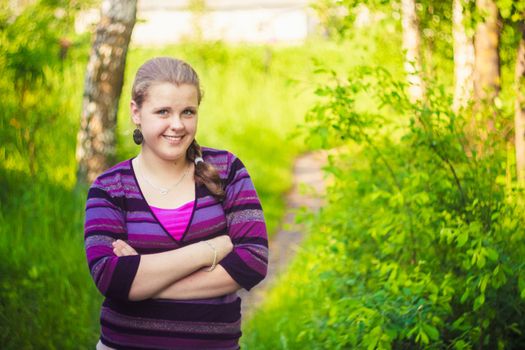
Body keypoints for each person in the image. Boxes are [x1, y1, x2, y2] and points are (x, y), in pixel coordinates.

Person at [83, 57, 269, 350]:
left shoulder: (227, 169)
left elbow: (252, 262)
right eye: (163, 112)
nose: (177, 125)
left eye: (188, 112)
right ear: (136, 112)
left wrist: (144, 284)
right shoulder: (109, 187)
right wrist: (209, 250)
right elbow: (111, 278)